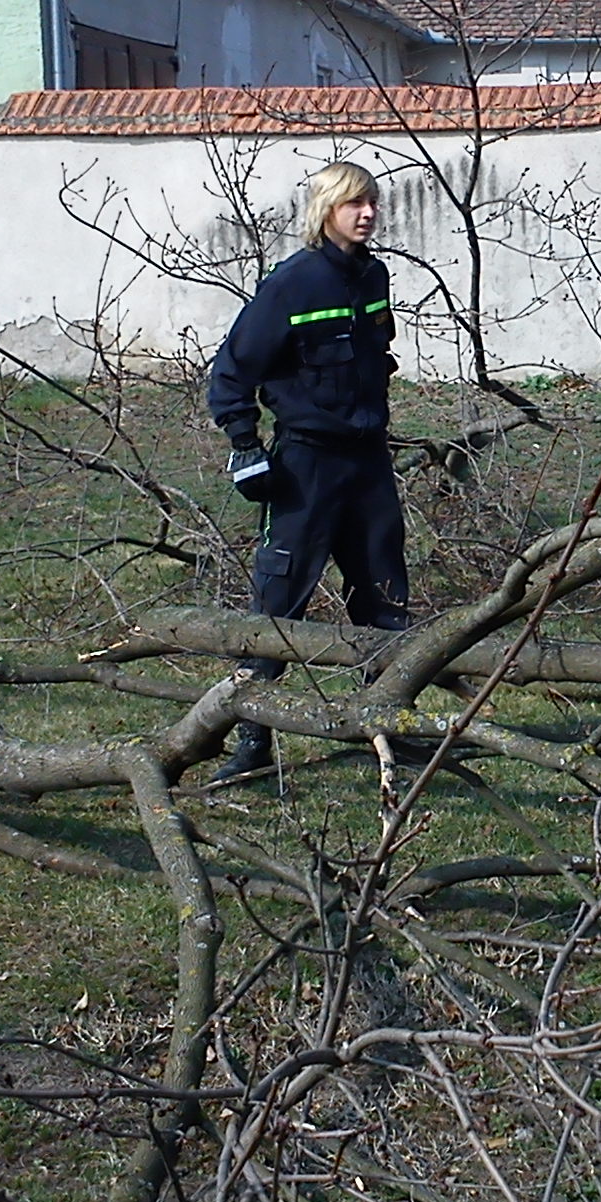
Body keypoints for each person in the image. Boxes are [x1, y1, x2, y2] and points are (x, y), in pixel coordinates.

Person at [205, 160, 408, 780]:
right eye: (353, 204)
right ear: (326, 212)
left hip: (368, 463)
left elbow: (377, 358)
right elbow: (232, 371)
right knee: (278, 601)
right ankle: (250, 743)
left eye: (371, 202)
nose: (367, 213)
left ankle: (390, 729)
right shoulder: (292, 284)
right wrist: (246, 444)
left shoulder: (373, 276)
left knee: (383, 595)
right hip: (306, 465)